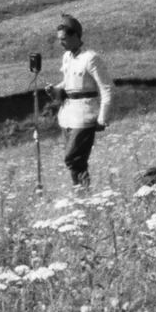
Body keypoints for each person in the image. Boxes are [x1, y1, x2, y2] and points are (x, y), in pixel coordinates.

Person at [44, 14, 113, 188]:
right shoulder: (67, 57)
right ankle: (82, 193)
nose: (61, 43)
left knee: (72, 157)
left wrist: (102, 118)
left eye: (64, 39)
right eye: (59, 39)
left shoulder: (91, 58)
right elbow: (68, 83)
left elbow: (107, 89)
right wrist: (55, 89)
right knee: (77, 161)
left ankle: (82, 192)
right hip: (68, 116)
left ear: (75, 36)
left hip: (85, 115)